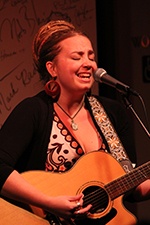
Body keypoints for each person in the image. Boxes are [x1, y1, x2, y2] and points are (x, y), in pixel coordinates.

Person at [0, 20, 149, 225]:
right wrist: (49, 202)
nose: (89, 63)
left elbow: (132, 187)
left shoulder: (113, 112)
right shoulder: (34, 110)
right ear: (52, 68)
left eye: (91, 56)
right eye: (77, 57)